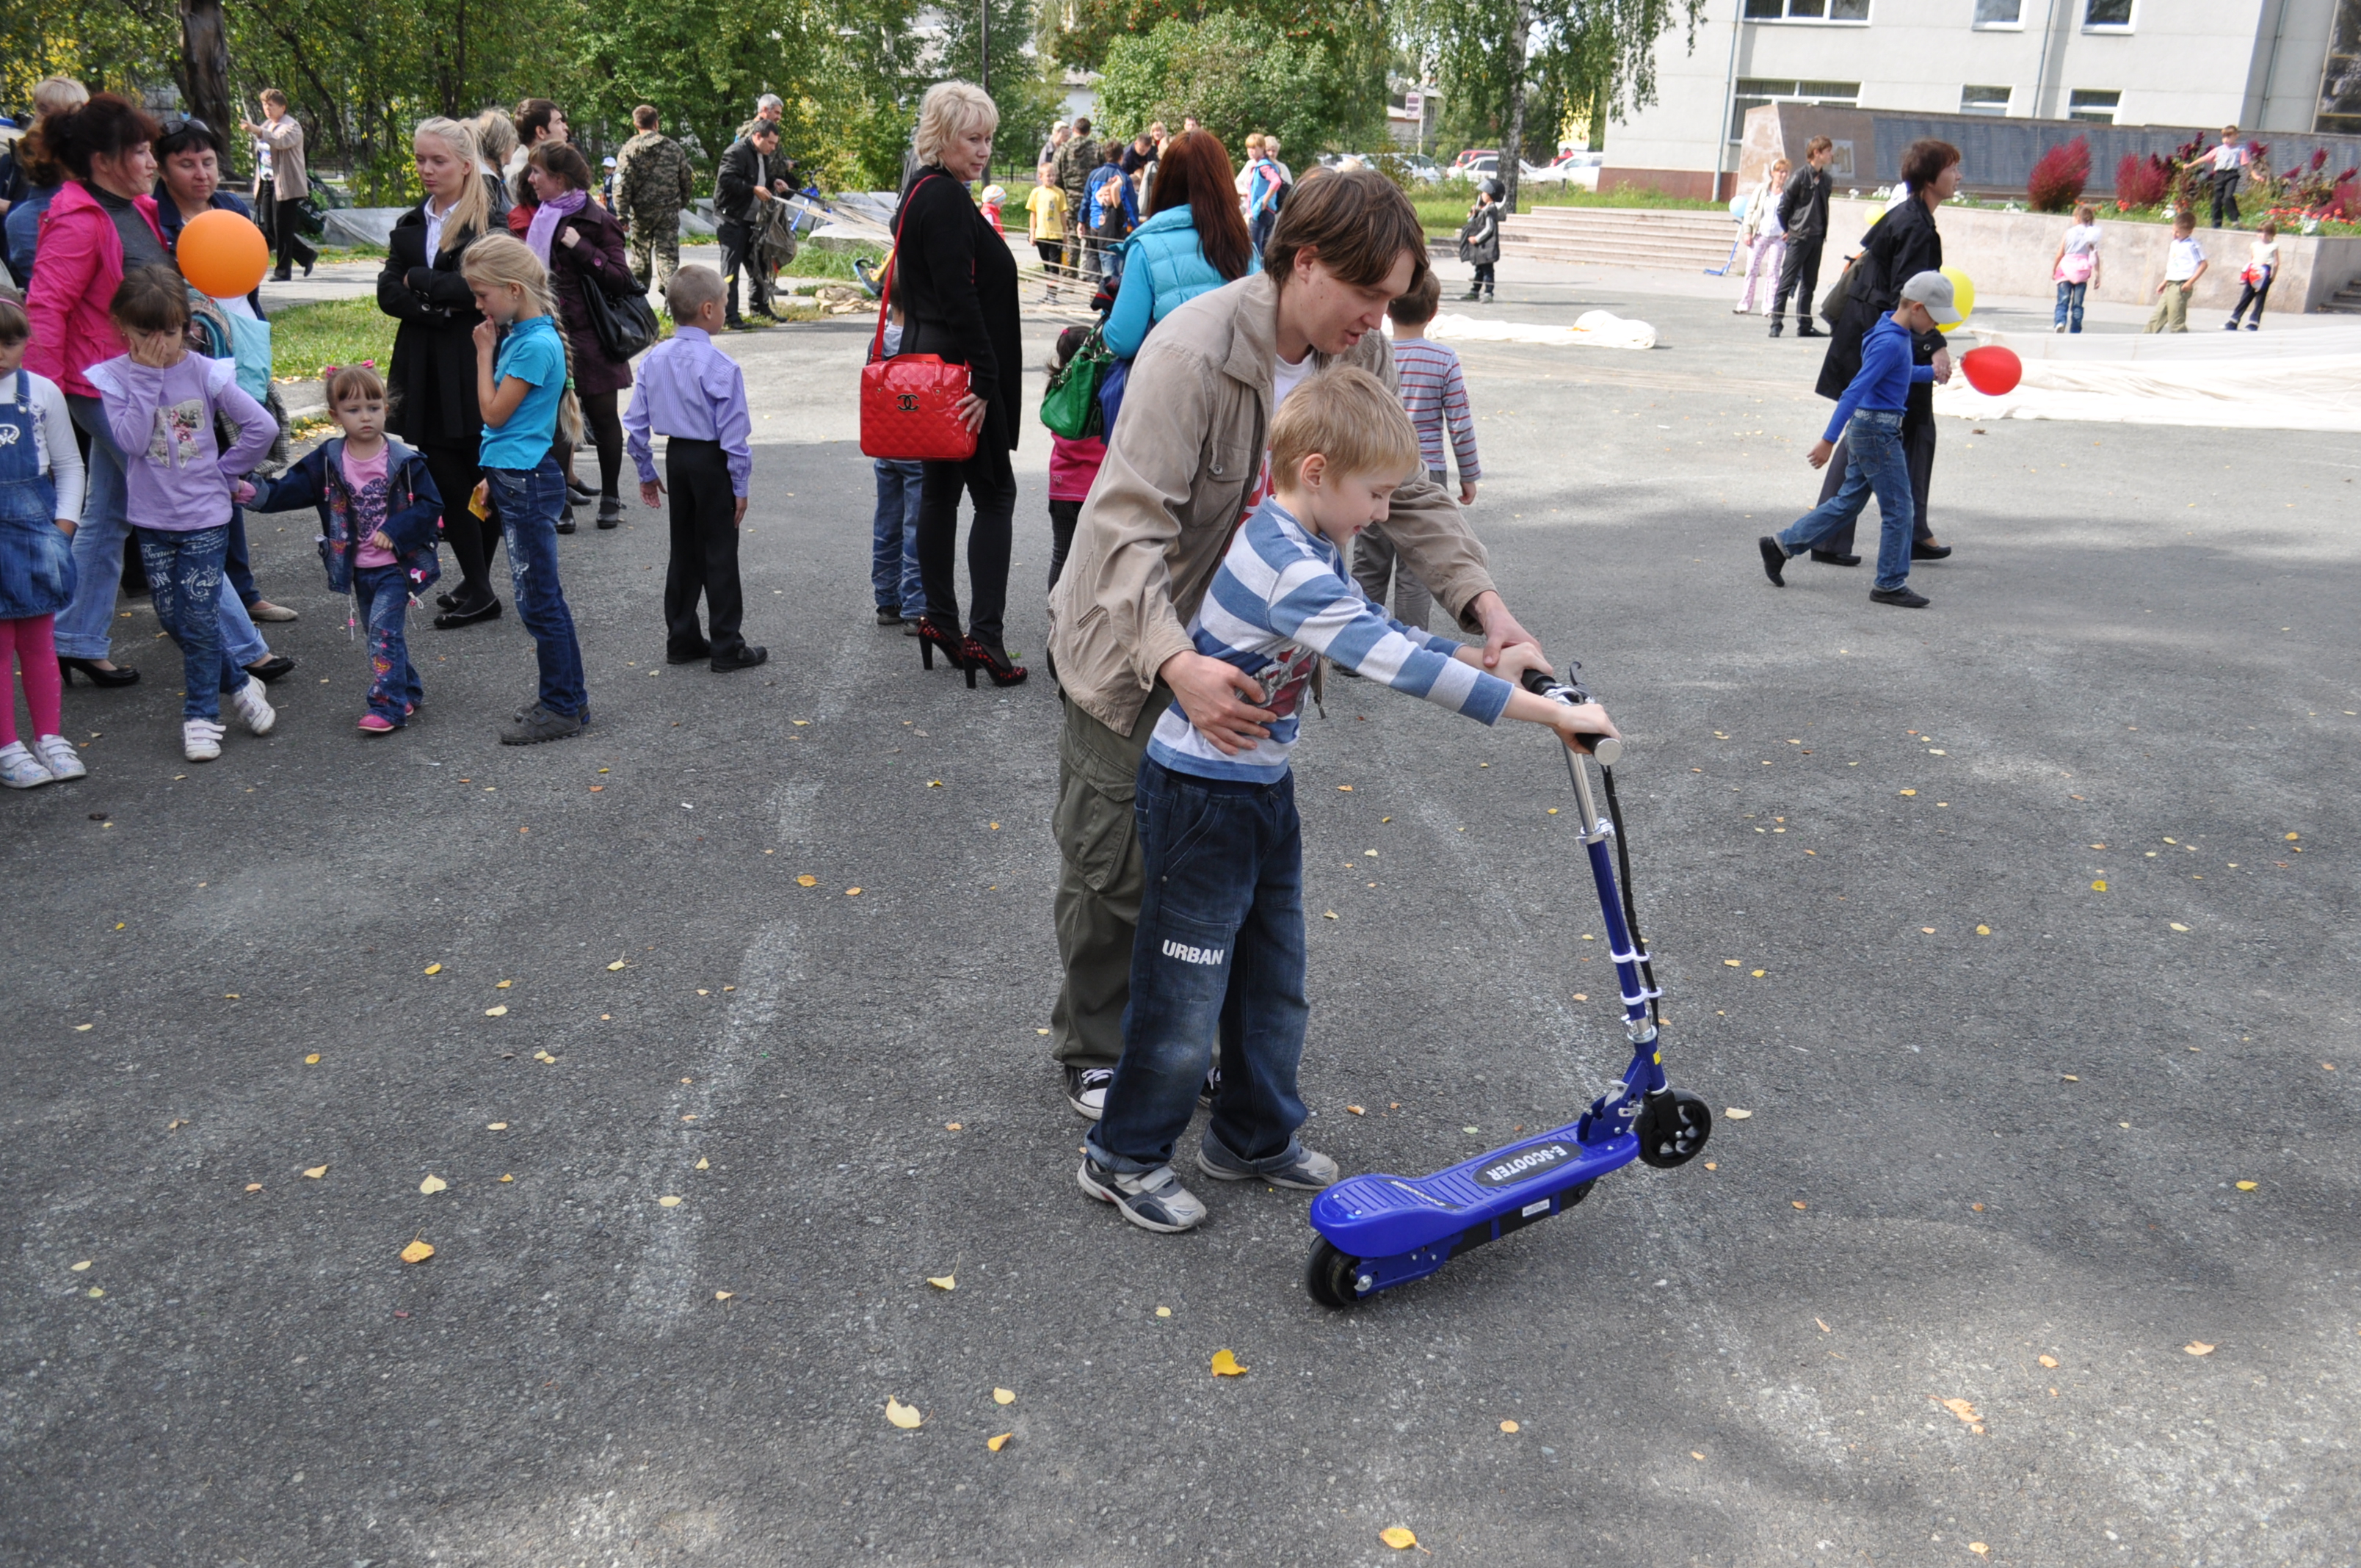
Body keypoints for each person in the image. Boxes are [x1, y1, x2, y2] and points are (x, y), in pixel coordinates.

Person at [1043, 167, 1545, 1119]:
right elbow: (1121, 529)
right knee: (1112, 861)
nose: (1378, 318)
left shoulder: (1358, 360)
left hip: (1248, 654)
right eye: (1368, 296)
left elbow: (1414, 492)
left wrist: (1488, 608)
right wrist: (1174, 661)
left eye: (1392, 300)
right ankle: (1097, 1045)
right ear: (1304, 263)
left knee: (1222, 866)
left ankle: (1202, 1047)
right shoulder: (1193, 350)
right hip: (1132, 639)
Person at [1077, 366, 1611, 1230]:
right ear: (1317, 472)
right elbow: (1386, 661)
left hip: (1256, 792)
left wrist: (1482, 656)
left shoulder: (1310, 545)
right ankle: (1123, 1156)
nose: (1381, 514)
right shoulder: (1286, 563)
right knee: (1183, 995)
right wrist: (1549, 713)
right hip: (1200, 799)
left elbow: (1376, 627)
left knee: (1272, 977)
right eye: (1377, 494)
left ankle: (1250, 1136)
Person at [32, 94, 287, 690]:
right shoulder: (78, 218)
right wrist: (36, 398)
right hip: (109, 387)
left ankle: (74, 638)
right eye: (141, 151)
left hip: (142, 378)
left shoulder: (131, 207)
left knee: (106, 517)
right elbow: (47, 306)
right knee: (185, 496)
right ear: (104, 159)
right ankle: (242, 647)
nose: (152, 160)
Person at [87, 266, 280, 760]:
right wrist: (148, 379)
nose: (160, 344)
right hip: (152, 521)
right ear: (122, 327)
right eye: (145, 333)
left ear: (185, 326)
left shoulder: (204, 371)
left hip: (205, 519)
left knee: (197, 618)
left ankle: (201, 716)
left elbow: (260, 428)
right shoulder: (115, 377)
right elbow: (129, 442)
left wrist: (225, 471)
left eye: (170, 332)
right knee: (174, 619)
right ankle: (238, 683)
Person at [893, 81, 1026, 688]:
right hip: (962, 375)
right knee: (995, 496)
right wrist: (987, 374)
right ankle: (986, 639)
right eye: (973, 139)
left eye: (988, 139)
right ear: (942, 138)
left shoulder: (920, 191)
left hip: (934, 368)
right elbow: (958, 295)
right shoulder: (944, 198)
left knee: (941, 496)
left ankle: (941, 622)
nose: (984, 151)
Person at [239, 366, 442, 733]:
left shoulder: (404, 461)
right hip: (357, 568)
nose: (366, 416)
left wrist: (395, 531)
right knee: (380, 633)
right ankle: (408, 690)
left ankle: (389, 706)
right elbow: (293, 489)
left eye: (374, 406)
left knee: (383, 634)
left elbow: (430, 506)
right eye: (353, 410)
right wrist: (257, 494)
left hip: (395, 568)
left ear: (386, 408)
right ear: (335, 416)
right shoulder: (329, 460)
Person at [1759, 270, 1959, 611]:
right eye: (1936, 318)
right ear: (1918, 308)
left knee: (1847, 503)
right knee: (1899, 508)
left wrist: (1933, 374)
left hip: (1872, 429)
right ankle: (1890, 583)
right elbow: (1855, 389)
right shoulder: (1891, 341)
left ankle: (1779, 546)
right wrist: (1828, 440)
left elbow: (1898, 372)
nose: (1936, 327)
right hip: (1877, 432)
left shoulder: (1890, 330)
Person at [460, 234, 591, 744]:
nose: (478, 305)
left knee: (539, 602)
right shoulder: (527, 333)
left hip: (527, 481)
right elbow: (508, 431)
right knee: (542, 598)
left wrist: (482, 352)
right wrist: (492, 472)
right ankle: (568, 701)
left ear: (514, 289)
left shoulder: (531, 344)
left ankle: (562, 706)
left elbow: (493, 412)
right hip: (515, 475)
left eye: (482, 294)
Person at [1810, 138, 1958, 567]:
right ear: (1931, 178)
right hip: (1888, 341)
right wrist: (1935, 347)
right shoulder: (1916, 226)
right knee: (1912, 432)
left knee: (1878, 430)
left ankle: (1834, 535)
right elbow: (1909, 297)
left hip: (1872, 335)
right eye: (1952, 169)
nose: (1959, 176)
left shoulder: (1910, 216)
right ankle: (1906, 533)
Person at [381, 116, 504, 630]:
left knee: (481, 475)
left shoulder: (487, 221)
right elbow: (389, 290)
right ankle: (478, 584)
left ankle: (479, 583)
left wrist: (422, 281)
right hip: (423, 360)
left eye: (438, 160)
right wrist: (432, 302)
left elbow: (477, 286)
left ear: (465, 165)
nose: (426, 169)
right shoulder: (413, 221)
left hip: (471, 358)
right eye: (420, 159)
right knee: (448, 480)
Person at [625, 265, 764, 672]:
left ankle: (682, 637)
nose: (725, 310)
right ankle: (726, 644)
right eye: (723, 303)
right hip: (711, 459)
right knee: (720, 550)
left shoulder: (655, 359)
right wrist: (740, 483)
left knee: (684, 549)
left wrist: (646, 471)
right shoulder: (721, 365)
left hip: (677, 458)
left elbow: (635, 424)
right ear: (707, 309)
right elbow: (734, 435)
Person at [522, 142, 634, 530]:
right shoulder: (541, 217)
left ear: (560, 178)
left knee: (603, 418)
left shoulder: (598, 220)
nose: (530, 179)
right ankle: (560, 504)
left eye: (538, 172)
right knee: (557, 422)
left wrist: (583, 248)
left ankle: (611, 495)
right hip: (550, 335)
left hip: (593, 337)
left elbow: (622, 281)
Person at [0, 296, 88, 787]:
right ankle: (7, 746)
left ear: (25, 343)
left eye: (10, 343)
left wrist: (63, 530)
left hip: (35, 536)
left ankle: (49, 737)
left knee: (38, 640)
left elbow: (71, 466)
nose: (1, 354)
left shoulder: (43, 393)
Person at [1360, 272, 1476, 634]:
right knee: (1418, 563)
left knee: (1370, 560)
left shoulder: (1376, 353)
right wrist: (1469, 474)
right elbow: (1459, 420)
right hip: (1428, 470)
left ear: (1389, 309)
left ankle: (1357, 644)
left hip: (1375, 467)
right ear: (1435, 311)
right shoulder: (1444, 359)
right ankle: (1411, 644)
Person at [1103, 130, 1255, 359]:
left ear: (1165, 180)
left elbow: (1122, 341)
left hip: (1170, 386)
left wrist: (1108, 315)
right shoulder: (1246, 247)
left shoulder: (1145, 248)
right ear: (1224, 182)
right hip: (1236, 389)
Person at [870, 297, 926, 625]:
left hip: (885, 445)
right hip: (920, 448)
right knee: (916, 528)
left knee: (886, 524)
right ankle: (916, 605)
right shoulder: (923, 339)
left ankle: (886, 599)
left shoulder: (878, 340)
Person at [4, 78, 90, 287]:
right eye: (39, 108)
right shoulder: (12, 160)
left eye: (45, 110)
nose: (39, 118)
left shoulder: (91, 174)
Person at [1045, 325, 1106, 592]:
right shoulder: (1102, 393)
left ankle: (1056, 623)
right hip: (1094, 491)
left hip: (1061, 489)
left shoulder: (1057, 390)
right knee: (1097, 563)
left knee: (1062, 557)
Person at [614, 105, 695, 300]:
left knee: (640, 258)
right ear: (657, 123)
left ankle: (638, 302)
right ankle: (672, 302)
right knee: (668, 257)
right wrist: (681, 202)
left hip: (641, 213)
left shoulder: (629, 149)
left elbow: (621, 184)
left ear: (636, 124)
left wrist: (621, 214)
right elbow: (687, 178)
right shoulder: (673, 148)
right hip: (668, 212)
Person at [715, 120, 789, 328]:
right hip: (731, 218)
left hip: (753, 220)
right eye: (771, 143)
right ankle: (730, 316)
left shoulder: (762, 154)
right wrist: (753, 189)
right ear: (758, 136)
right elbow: (726, 181)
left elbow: (762, 178)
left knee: (759, 263)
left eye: (775, 144)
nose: (773, 148)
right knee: (731, 269)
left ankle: (759, 307)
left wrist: (773, 182)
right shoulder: (735, 152)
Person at [238, 90, 315, 282]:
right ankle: (306, 255)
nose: (267, 109)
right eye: (265, 105)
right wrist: (258, 130)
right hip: (267, 182)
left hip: (286, 185)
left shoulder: (292, 126)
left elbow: (280, 141)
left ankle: (283, 271)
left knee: (282, 228)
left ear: (283, 107)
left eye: (271, 105)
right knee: (271, 229)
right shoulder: (266, 125)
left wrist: (257, 131)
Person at [1768, 137, 1832, 338]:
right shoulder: (1800, 176)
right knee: (1786, 281)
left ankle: (1805, 324)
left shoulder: (1826, 180)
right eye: (1828, 151)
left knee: (1809, 283)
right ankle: (1776, 322)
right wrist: (1789, 228)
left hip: (1817, 237)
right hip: (1798, 237)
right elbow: (1784, 207)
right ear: (1817, 153)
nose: (1831, 155)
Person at [1734, 157, 1789, 316]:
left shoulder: (1788, 192)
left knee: (1773, 272)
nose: (1783, 175)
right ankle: (1744, 304)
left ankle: (1769, 307)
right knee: (1751, 269)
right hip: (1760, 234)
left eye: (1786, 172)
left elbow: (1793, 213)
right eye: (1780, 171)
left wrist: (1789, 230)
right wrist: (1747, 231)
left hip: (1778, 237)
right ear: (1773, 173)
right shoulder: (1762, 190)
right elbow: (1750, 210)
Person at [1083, 140, 1136, 285]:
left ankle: (1094, 287)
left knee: (1093, 256)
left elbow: (1087, 200)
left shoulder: (1094, 174)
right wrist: (1135, 225)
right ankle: (1109, 295)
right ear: (1121, 156)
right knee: (1115, 265)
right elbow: (1131, 206)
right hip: (1116, 229)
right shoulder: (1123, 177)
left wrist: (1081, 221)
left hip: (1095, 225)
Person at [2144, 211, 2206, 333]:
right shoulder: (2174, 244)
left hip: (2180, 285)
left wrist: (2190, 282)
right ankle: (2144, 338)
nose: (2174, 234)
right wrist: (2165, 282)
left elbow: (2203, 264)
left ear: (2189, 232)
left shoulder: (2192, 246)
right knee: (2158, 316)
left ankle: (2181, 344)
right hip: (2170, 284)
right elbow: (2173, 267)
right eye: (2173, 230)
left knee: (2176, 319)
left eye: (2178, 232)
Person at [1053, 116, 1098, 277]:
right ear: (1089, 132)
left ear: (1073, 130)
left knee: (1072, 238)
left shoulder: (1063, 149)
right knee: (1093, 236)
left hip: (1069, 199)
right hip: (1092, 200)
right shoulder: (1097, 149)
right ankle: (1092, 275)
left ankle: (1069, 274)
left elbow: (1056, 177)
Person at [2051, 202, 2101, 334]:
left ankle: (2060, 322)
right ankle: (2075, 330)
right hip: (2082, 272)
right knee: (2078, 305)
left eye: (2074, 217)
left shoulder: (2069, 233)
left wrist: (2054, 269)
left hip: (2066, 269)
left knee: (2062, 301)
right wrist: (2098, 276)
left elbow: (2060, 254)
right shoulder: (2092, 234)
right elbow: (2095, 256)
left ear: (2078, 218)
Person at [1026, 161, 1068, 299]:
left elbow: (1062, 214)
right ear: (1041, 177)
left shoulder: (1060, 193)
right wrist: (1032, 233)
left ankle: (1052, 295)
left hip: (1056, 235)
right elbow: (1033, 214)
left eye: (1053, 175)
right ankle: (1048, 292)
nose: (1051, 178)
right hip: (1042, 234)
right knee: (1046, 266)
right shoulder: (1036, 193)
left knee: (1054, 266)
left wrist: (1065, 233)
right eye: (1048, 175)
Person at [2227, 219, 2279, 330]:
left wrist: (2273, 276)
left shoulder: (2274, 246)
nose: (2263, 235)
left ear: (2271, 234)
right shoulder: (2254, 245)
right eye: (2261, 232)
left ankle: (2253, 322)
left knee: (2260, 298)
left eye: (2267, 233)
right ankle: (2234, 320)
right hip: (2254, 271)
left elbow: (2276, 263)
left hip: (2265, 272)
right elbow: (2252, 258)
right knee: (2246, 296)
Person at [1457, 181, 1500, 302]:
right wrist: (1475, 213)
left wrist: (1477, 238)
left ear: (1490, 195)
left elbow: (1489, 228)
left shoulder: (1490, 210)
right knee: (1479, 269)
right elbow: (1474, 221)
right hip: (1481, 247)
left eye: (1484, 193)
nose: (1482, 195)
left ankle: (1488, 293)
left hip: (1487, 246)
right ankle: (1475, 291)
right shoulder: (1484, 209)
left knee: (1488, 270)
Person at [2199, 126, 2249, 230]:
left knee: (2228, 197)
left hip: (2232, 174)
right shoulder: (2219, 150)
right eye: (2224, 137)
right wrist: (2190, 165)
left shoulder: (2240, 150)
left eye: (2229, 136)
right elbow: (2205, 158)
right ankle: (2216, 224)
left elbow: (2247, 164)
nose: (2226, 139)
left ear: (2236, 136)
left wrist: (2254, 174)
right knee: (2217, 200)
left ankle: (2235, 220)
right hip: (2220, 175)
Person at [472, 110, 517, 222]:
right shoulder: (486, 181)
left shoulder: (486, 177)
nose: (515, 145)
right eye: (513, 140)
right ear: (503, 143)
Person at [1246, 137, 1285, 258]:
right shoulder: (1267, 164)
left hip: (1261, 213)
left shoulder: (1263, 166)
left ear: (1262, 148)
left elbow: (1276, 182)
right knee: (1263, 253)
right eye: (1248, 148)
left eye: (1254, 148)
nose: (1250, 151)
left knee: (1255, 252)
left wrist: (1264, 201)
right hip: (1268, 213)